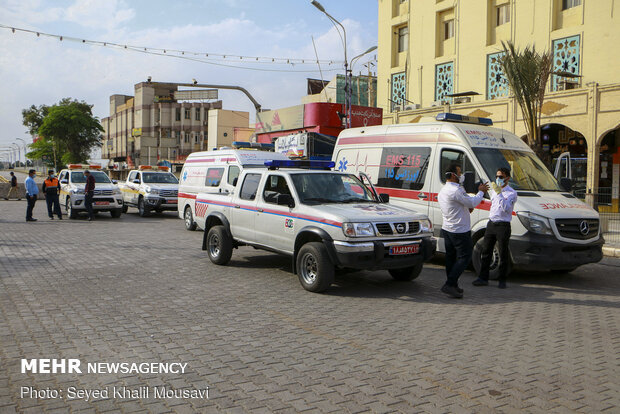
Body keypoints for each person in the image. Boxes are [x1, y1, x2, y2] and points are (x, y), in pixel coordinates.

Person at [437, 164, 489, 298]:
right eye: (459, 173)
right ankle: (449, 284)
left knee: (451, 258)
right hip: (459, 230)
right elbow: (471, 202)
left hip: (448, 228)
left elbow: (459, 206)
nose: (462, 175)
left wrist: (467, 208)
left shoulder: (443, 190)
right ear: (453, 175)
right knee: (465, 257)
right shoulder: (456, 190)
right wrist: (481, 191)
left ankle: (453, 285)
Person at [473, 167, 518, 289]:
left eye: (501, 177)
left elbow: (506, 208)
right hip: (492, 223)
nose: (498, 179)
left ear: (507, 178)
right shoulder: (494, 191)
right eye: (497, 176)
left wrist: (499, 193)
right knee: (486, 251)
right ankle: (483, 277)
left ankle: (502, 280)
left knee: (503, 253)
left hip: (503, 225)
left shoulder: (512, 193)